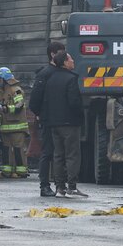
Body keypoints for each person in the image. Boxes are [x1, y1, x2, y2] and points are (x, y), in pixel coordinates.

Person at [31, 50, 87, 198]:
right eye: (71, 60)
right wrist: (81, 116)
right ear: (64, 62)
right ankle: (72, 187)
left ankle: (60, 188)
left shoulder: (50, 78)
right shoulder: (71, 79)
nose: (73, 62)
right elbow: (74, 102)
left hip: (53, 123)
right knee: (72, 155)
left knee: (58, 155)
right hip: (69, 123)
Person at [30, 41, 65, 197]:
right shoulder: (45, 74)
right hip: (49, 120)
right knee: (47, 152)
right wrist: (41, 114)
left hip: (61, 120)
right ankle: (44, 185)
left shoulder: (61, 72)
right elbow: (34, 100)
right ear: (53, 54)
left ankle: (60, 185)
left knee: (59, 153)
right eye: (61, 52)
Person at [0, 67, 29, 179]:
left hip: (17, 126)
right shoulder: (1, 92)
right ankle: (7, 172)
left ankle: (21, 172)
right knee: (6, 149)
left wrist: (6, 108)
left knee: (18, 149)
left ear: (5, 79)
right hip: (5, 127)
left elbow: (19, 105)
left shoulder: (16, 90)